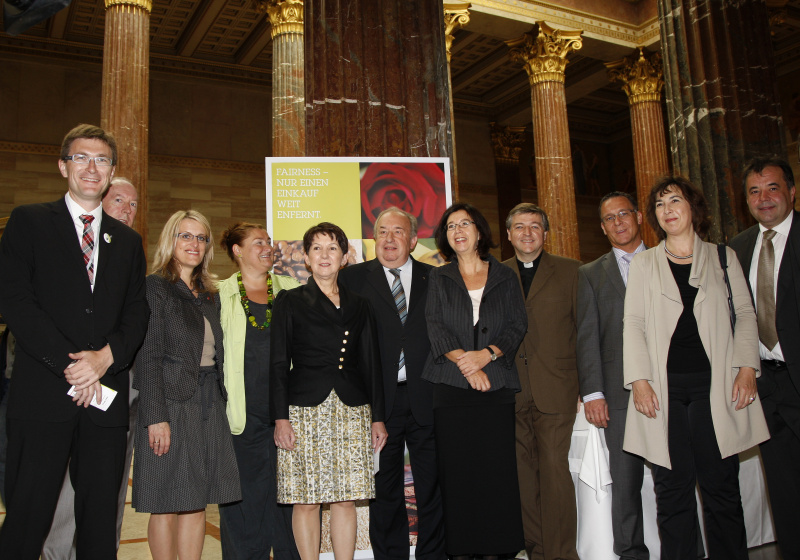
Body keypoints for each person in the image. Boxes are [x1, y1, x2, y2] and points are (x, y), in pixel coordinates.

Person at [0, 124, 149, 559]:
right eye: (81, 157)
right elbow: (16, 302)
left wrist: (105, 359)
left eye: (102, 160)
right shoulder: (28, 221)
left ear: (111, 171)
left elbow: (136, 312)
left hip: (105, 404)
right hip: (43, 396)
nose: (91, 167)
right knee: (28, 515)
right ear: (63, 165)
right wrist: (74, 366)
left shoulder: (128, 242)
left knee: (101, 519)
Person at [623, 176, 769, 559]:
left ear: (693, 207)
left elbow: (745, 315)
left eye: (674, 201)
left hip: (716, 389)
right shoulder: (645, 263)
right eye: (659, 204)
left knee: (721, 489)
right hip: (663, 391)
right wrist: (638, 380)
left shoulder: (723, 257)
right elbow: (633, 324)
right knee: (672, 493)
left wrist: (746, 368)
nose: (667, 210)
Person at [271, 222, 387, 560]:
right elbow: (278, 364)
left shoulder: (361, 305)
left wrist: (378, 418)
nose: (325, 255)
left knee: (346, 497)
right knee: (306, 498)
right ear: (306, 258)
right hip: (304, 409)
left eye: (332, 248)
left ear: (345, 256)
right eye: (317, 248)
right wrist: (280, 418)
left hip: (352, 408)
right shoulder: (290, 301)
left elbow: (372, 364)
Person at [42, 175, 141, 560]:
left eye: (133, 205)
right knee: (65, 487)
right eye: (119, 201)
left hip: (121, 392)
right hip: (69, 381)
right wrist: (84, 370)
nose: (127, 211)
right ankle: (57, 554)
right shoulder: (69, 251)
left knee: (110, 487)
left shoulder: (130, 251)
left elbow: (135, 320)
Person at [132, 209, 241, 559]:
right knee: (165, 499)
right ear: (170, 240)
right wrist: (155, 416)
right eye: (185, 235)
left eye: (201, 237)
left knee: (197, 499)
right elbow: (147, 356)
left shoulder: (209, 293)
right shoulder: (155, 287)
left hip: (209, 402)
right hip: (170, 403)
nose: (194, 243)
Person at [339, 207, 445, 560]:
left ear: (413, 239)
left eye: (398, 232)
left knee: (432, 484)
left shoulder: (438, 279)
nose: (389, 239)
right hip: (377, 403)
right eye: (382, 231)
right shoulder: (352, 279)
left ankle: (432, 555)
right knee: (385, 489)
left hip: (428, 396)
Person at [422, 203, 527, 560]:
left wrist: (488, 355)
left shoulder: (505, 275)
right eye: (451, 226)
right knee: (458, 475)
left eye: (465, 223)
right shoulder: (439, 277)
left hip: (496, 386)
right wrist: (469, 366)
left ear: (479, 232)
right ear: (446, 237)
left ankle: (500, 549)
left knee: (497, 473)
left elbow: (517, 325)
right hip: (450, 389)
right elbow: (435, 327)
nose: (458, 230)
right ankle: (463, 551)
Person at [730, 156, 800, 559]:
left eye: (773, 188)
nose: (764, 198)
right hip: (766, 387)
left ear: (791, 191)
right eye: (755, 191)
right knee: (785, 493)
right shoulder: (738, 248)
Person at [502, 202, 581, 560]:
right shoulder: (495, 275)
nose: (527, 233)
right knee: (521, 475)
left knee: (554, 471)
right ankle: (535, 549)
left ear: (545, 234)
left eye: (535, 227)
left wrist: (587, 387)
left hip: (557, 387)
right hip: (511, 388)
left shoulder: (573, 272)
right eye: (519, 227)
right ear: (508, 235)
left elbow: (586, 334)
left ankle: (561, 553)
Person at [218, 222, 301, 560]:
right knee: (241, 499)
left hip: (286, 413)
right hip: (241, 414)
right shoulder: (219, 293)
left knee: (287, 498)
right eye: (257, 243)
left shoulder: (291, 290)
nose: (268, 247)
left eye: (268, 241)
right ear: (237, 251)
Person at [576, 192, 648, 560]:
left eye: (624, 214)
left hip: (673, 388)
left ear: (638, 216)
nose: (618, 222)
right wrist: (593, 393)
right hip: (618, 396)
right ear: (603, 228)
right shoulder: (590, 274)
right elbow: (586, 335)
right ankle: (631, 552)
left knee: (678, 480)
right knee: (625, 483)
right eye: (609, 218)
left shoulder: (668, 260)